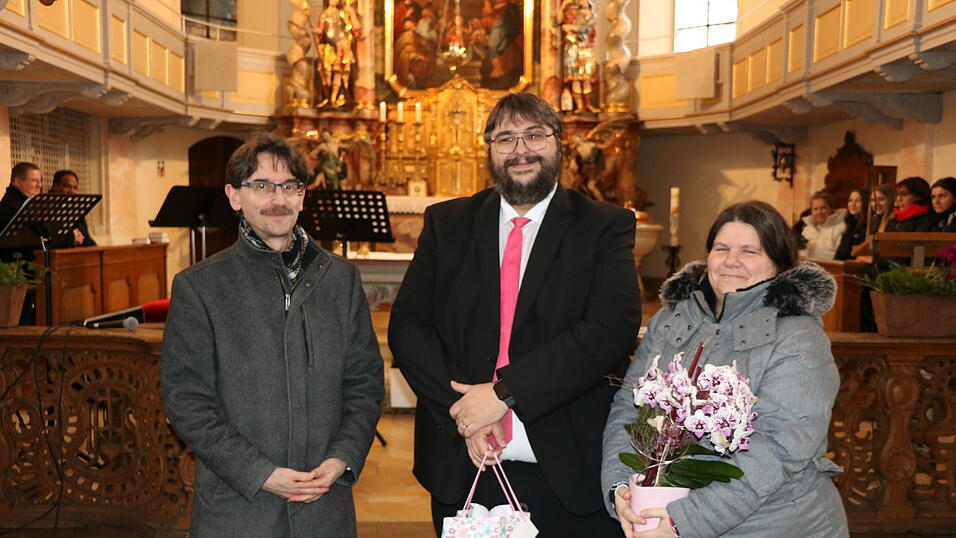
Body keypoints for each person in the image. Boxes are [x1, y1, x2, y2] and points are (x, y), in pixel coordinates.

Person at [388, 92, 641, 536]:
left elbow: (609, 330)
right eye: (505, 138)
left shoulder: (603, 225)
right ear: (489, 149)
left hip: (567, 466)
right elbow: (409, 326)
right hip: (464, 461)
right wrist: (463, 412)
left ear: (559, 142)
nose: (521, 150)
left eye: (534, 135)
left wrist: (504, 395)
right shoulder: (447, 223)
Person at [160, 132, 384, 537]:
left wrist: (342, 458)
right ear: (234, 196)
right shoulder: (200, 286)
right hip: (239, 508)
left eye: (289, 186)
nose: (277, 199)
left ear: (302, 196)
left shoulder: (341, 278)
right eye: (261, 186)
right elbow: (186, 400)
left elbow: (365, 383)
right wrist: (259, 473)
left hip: (324, 507)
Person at [602, 201, 848, 538]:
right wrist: (620, 487)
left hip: (773, 523)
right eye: (721, 248)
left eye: (749, 251)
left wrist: (684, 521)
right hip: (664, 515)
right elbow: (627, 408)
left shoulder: (798, 336)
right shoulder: (672, 319)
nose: (732, 260)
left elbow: (778, 450)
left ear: (778, 263)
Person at [0, 162, 43, 262]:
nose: (39, 185)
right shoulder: (11, 205)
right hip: (17, 266)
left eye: (40, 181)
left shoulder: (29, 203)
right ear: (18, 182)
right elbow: (31, 237)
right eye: (34, 181)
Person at [50, 170, 97, 247]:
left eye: (75, 188)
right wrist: (72, 238)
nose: (72, 191)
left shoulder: (75, 210)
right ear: (55, 187)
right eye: (67, 186)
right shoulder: (46, 208)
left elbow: (86, 238)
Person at [800, 190, 846, 260]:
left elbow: (840, 255)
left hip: (830, 266)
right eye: (815, 209)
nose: (819, 212)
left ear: (831, 209)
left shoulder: (841, 228)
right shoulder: (807, 229)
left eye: (823, 208)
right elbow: (801, 252)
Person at [835, 188, 868, 260]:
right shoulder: (851, 224)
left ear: (866, 203)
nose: (852, 204)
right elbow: (840, 253)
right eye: (850, 200)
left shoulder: (868, 227)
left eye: (857, 201)